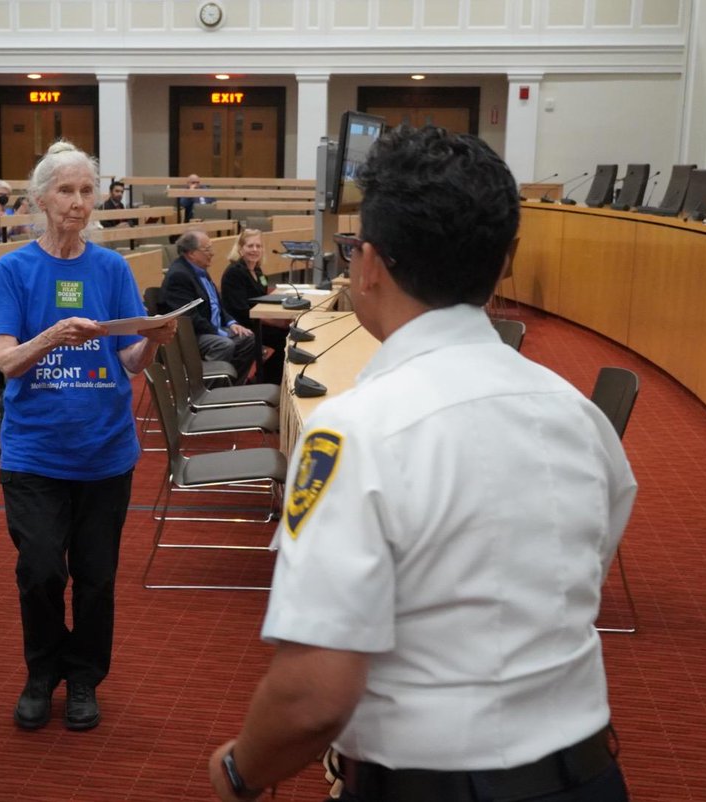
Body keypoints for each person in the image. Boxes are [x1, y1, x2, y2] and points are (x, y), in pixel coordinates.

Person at [206, 125, 637, 802]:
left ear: (367, 263)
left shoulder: (352, 432)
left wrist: (240, 772)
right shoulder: (580, 417)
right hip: (590, 778)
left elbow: (314, 695)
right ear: (506, 260)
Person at [0, 140, 176, 733]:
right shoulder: (15, 269)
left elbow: (129, 362)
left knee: (95, 578)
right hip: (36, 452)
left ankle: (86, 677)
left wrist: (155, 339)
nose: (77, 202)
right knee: (41, 571)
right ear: (41, 198)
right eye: (65, 191)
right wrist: (52, 337)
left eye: (86, 190)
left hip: (105, 450)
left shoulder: (111, 268)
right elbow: (6, 363)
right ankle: (42, 674)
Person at [161, 229, 255, 380]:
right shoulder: (179, 275)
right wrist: (219, 332)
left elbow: (216, 304)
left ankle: (232, 386)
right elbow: (189, 318)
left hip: (209, 329)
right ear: (191, 253)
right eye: (207, 249)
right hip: (191, 334)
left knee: (248, 338)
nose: (212, 253)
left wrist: (231, 323)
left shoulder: (199, 270)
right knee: (224, 345)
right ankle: (205, 389)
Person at [220, 228, 284, 384]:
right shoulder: (235, 272)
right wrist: (275, 322)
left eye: (258, 246)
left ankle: (268, 378)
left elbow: (262, 298)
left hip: (256, 320)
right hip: (243, 324)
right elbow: (242, 311)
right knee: (286, 338)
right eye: (250, 246)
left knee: (290, 333)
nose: (255, 250)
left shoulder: (257, 270)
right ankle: (267, 381)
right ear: (241, 249)